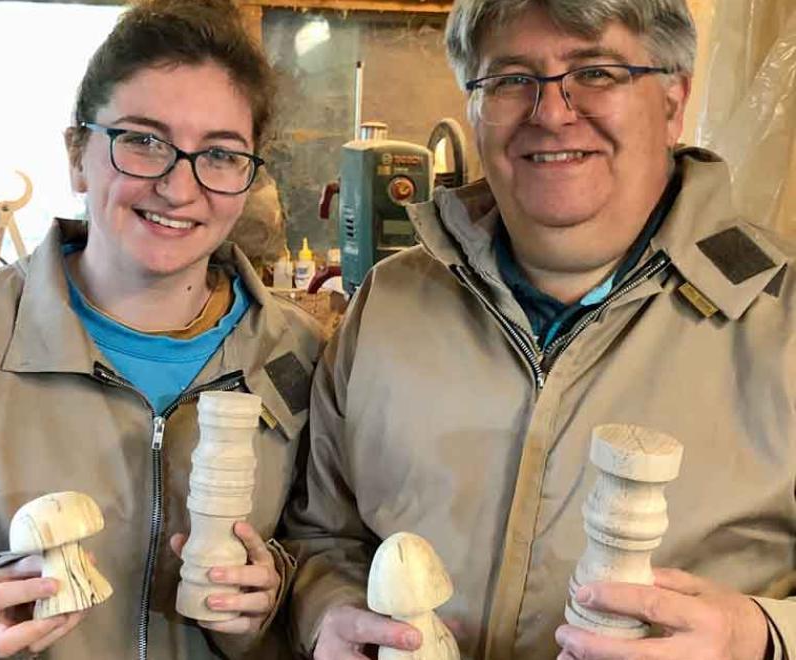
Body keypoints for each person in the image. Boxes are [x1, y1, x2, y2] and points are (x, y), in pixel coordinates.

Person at [283, 0, 796, 658]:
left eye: (598, 72)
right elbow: (321, 538)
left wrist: (760, 637)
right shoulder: (390, 302)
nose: (551, 113)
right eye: (510, 79)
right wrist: (329, 615)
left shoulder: (779, 324)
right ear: (474, 106)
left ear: (673, 101)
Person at [0, 1, 321, 658]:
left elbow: (325, 552)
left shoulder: (301, 355)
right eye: (143, 141)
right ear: (77, 156)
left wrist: (274, 598)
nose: (180, 188)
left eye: (219, 153)